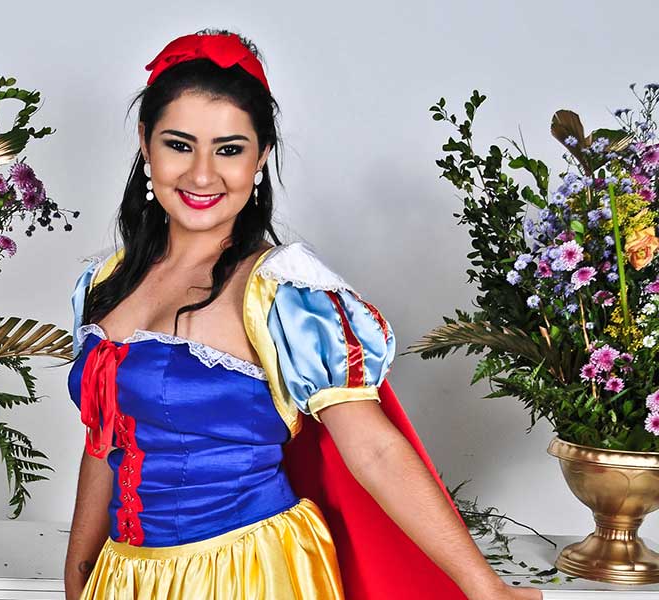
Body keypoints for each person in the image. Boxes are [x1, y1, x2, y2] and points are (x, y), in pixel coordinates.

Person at [63, 29, 543, 600]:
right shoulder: (106, 283)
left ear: (261, 156)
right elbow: (103, 444)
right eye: (179, 145)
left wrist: (485, 587)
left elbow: (376, 450)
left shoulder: (283, 292)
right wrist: (80, 576)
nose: (202, 175)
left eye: (229, 149)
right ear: (146, 143)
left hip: (248, 576)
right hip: (126, 578)